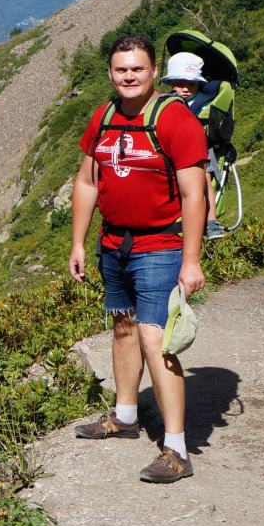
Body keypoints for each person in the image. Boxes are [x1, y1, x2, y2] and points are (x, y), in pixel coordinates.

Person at [68, 35, 208, 483]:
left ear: (154, 72)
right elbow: (88, 182)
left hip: (160, 245)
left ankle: (176, 450)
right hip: (115, 243)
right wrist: (77, 243)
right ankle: (126, 417)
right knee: (124, 325)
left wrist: (192, 259)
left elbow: (194, 193)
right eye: (121, 69)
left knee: (155, 339)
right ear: (111, 73)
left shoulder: (175, 121)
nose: (129, 76)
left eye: (138, 69)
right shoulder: (104, 117)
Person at [161, 51, 227, 239]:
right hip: (175, 151)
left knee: (204, 180)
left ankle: (211, 221)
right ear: (170, 84)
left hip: (201, 151)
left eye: (191, 84)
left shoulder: (203, 104)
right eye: (179, 84)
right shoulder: (164, 102)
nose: (185, 89)